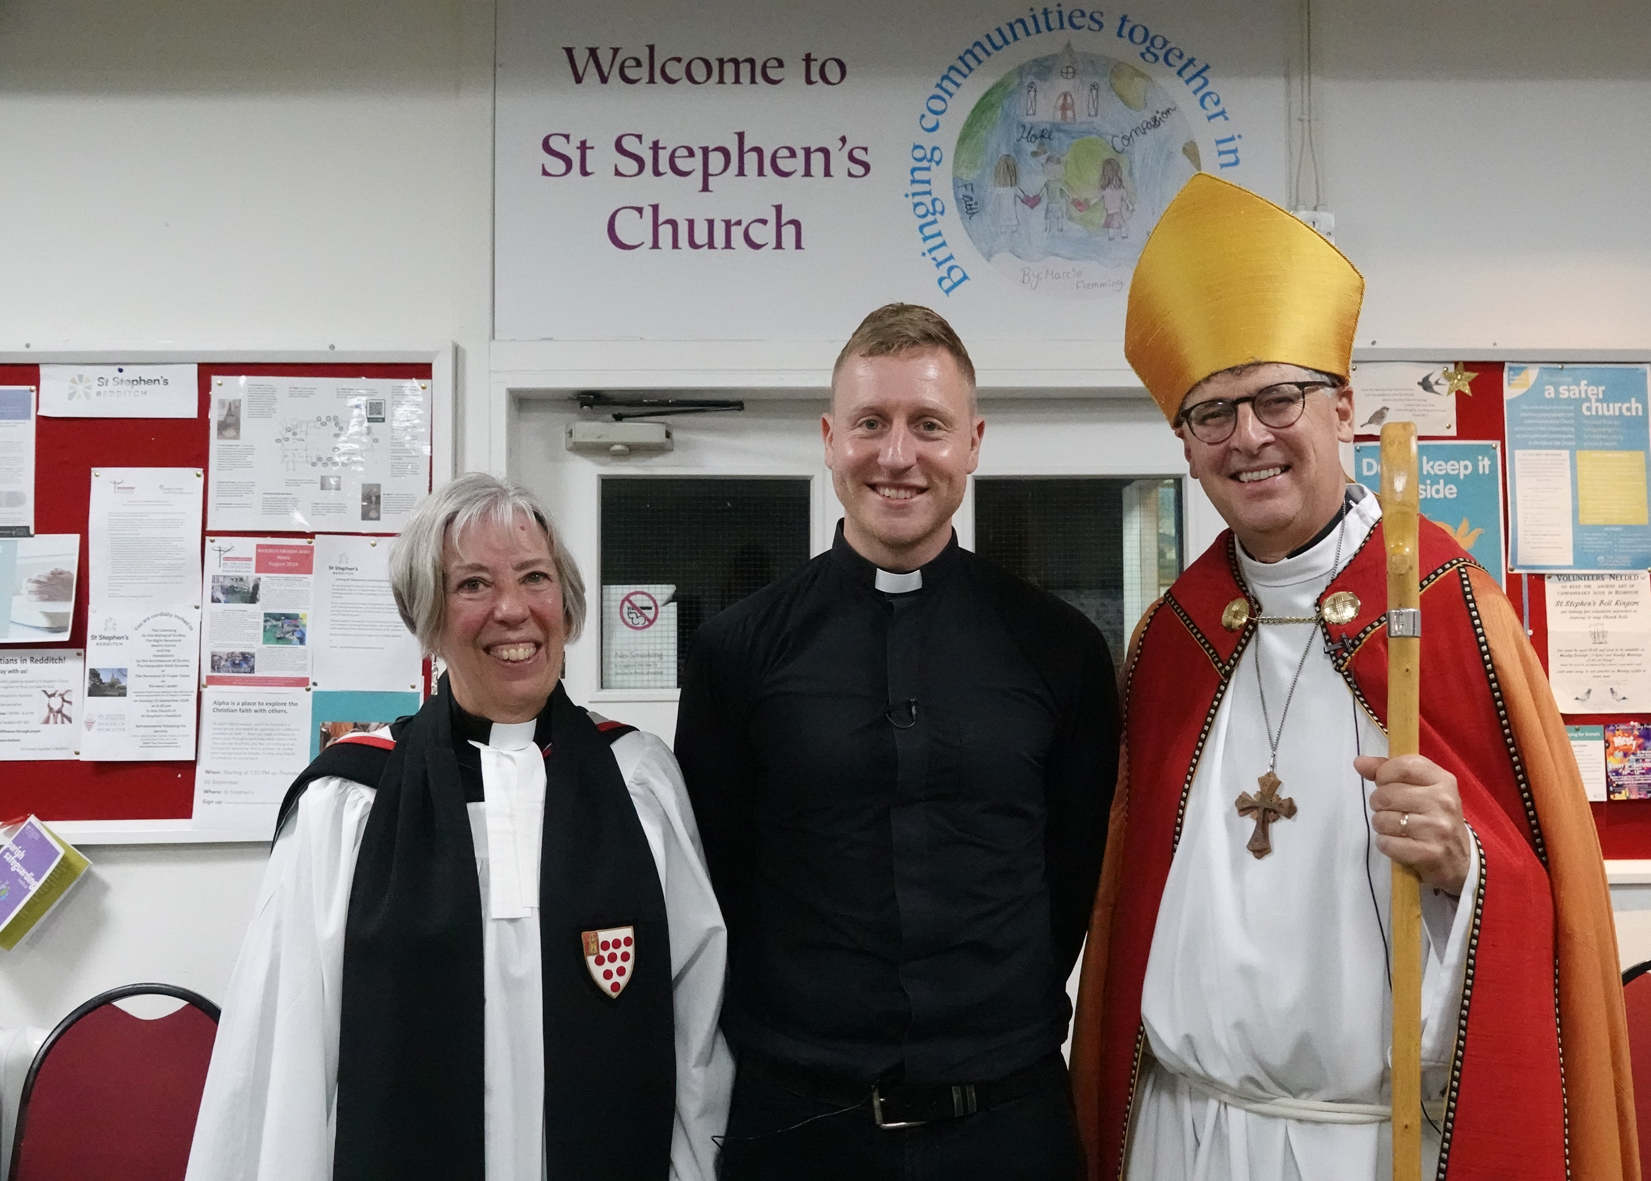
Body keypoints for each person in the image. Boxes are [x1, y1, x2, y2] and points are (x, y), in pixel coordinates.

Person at [1069, 175, 1639, 1181]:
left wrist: (1465, 863)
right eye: (1210, 413)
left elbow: (1551, 913)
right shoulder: (1169, 638)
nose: (1247, 435)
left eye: (1275, 397)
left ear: (1340, 407)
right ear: (1185, 445)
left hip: (1368, 1143)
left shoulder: (1451, 615)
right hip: (1182, 1132)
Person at [675, 303, 1119, 1181]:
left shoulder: (1058, 647)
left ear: (975, 441)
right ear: (831, 438)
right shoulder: (739, 650)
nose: (898, 454)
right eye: (871, 424)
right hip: (796, 1128)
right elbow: (716, 876)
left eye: (929, 425)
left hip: (1009, 1124)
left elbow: (1076, 870)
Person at [186, 473, 732, 1181]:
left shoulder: (639, 781)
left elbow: (696, 1021)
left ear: (565, 603)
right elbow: (286, 1050)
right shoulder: (351, 803)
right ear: (427, 615)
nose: (514, 610)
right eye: (473, 584)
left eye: (535, 577)